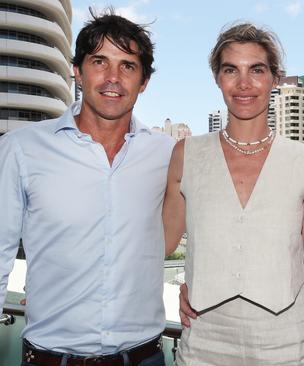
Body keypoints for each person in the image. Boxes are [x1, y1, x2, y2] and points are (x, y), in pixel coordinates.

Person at [0, 10, 174, 366]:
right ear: (77, 71)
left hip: (145, 357)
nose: (113, 78)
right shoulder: (21, 149)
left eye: (128, 66)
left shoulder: (168, 154)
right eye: (99, 62)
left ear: (144, 82)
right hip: (49, 358)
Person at [162, 22, 304, 365]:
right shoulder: (186, 154)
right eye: (231, 70)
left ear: (274, 77)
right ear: (217, 78)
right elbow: (158, 245)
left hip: (288, 344)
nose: (244, 84)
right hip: (204, 341)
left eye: (256, 69)